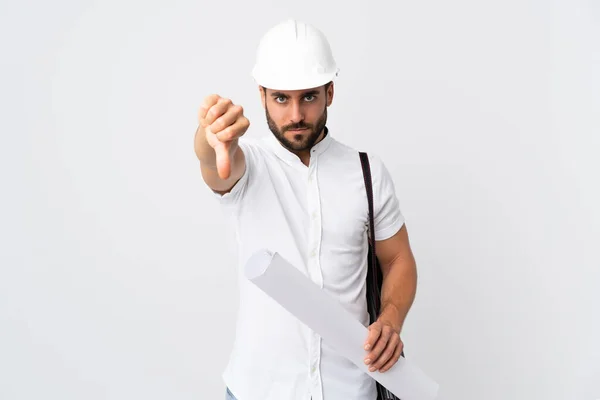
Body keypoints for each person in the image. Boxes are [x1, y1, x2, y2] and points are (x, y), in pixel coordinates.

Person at [194, 19, 418, 400]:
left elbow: (398, 259)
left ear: (330, 92)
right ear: (262, 94)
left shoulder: (367, 172)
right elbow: (215, 165)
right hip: (259, 390)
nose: (296, 114)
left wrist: (391, 319)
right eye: (281, 98)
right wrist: (209, 137)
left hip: (349, 389)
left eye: (308, 97)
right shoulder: (250, 165)